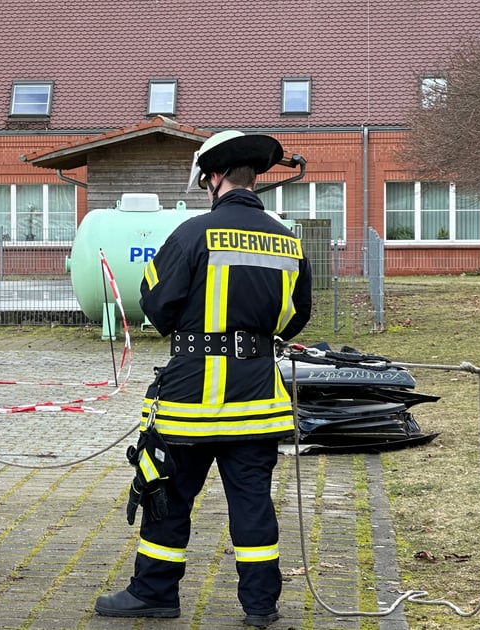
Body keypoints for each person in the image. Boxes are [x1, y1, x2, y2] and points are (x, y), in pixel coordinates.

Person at [94, 130, 313, 628]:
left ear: (213, 178)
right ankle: (261, 606)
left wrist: (194, 331)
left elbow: (155, 301)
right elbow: (297, 314)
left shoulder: (192, 234)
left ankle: (154, 593)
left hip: (190, 399)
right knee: (253, 504)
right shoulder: (286, 238)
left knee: (166, 494)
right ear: (250, 179)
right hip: (258, 397)